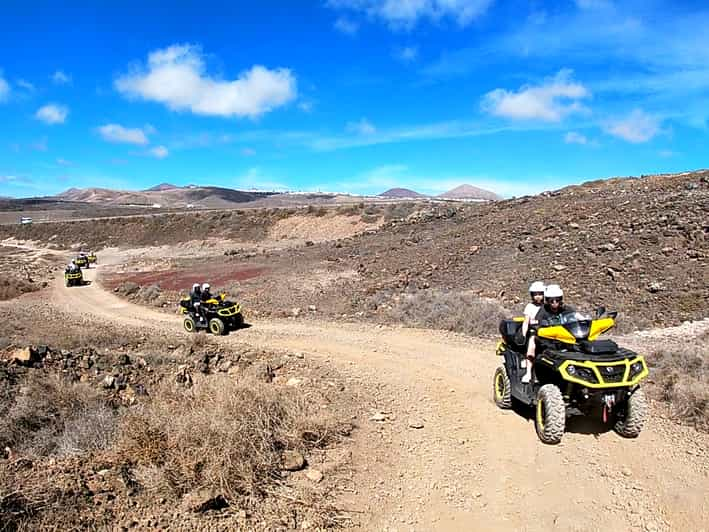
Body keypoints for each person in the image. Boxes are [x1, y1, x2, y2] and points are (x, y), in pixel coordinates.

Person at [520, 281, 545, 383]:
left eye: (540, 294)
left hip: (547, 333)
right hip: (534, 332)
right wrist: (523, 334)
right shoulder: (530, 307)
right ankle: (528, 373)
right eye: (535, 294)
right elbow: (526, 322)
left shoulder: (547, 307)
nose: (538, 297)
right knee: (532, 348)